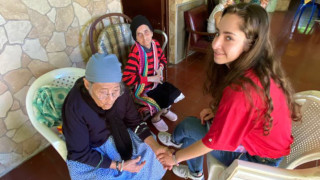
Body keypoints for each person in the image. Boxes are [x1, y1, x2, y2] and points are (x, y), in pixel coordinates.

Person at [157, 3, 300, 180]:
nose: (215, 44)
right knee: (192, 131)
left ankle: (188, 162)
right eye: (218, 33)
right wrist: (218, 113)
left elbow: (214, 142)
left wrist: (173, 158)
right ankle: (192, 168)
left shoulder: (242, 90)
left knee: (189, 127)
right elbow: (246, 113)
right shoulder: (259, 69)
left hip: (257, 161)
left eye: (229, 38)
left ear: (250, 44)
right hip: (262, 146)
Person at [62, 53, 169, 180]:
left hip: (120, 133)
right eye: (103, 93)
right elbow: (80, 153)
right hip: (95, 147)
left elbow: (134, 121)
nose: (110, 99)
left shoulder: (121, 92)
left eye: (114, 91)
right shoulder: (75, 107)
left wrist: (156, 147)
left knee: (151, 151)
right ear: (87, 84)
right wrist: (119, 166)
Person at [123, 15, 184, 132]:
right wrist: (151, 79)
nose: (144, 37)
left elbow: (163, 60)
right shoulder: (136, 53)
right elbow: (127, 78)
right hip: (143, 89)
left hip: (156, 83)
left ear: (151, 32)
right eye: (139, 34)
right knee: (161, 98)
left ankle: (164, 110)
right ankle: (156, 118)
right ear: (135, 38)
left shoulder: (155, 44)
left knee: (173, 93)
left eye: (146, 31)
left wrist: (160, 68)